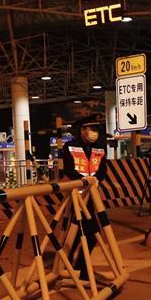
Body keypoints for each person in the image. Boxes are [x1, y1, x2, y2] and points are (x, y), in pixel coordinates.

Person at [60, 115, 107, 280]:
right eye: (92, 129)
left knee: (87, 234)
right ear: (82, 130)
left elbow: (103, 171)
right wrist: (83, 181)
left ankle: (74, 264)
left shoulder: (100, 148)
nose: (95, 133)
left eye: (96, 129)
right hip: (75, 196)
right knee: (87, 233)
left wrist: (95, 180)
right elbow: (68, 170)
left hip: (91, 197)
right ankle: (79, 267)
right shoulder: (69, 147)